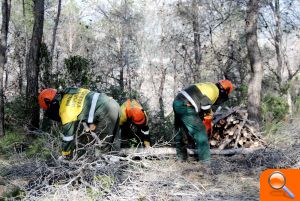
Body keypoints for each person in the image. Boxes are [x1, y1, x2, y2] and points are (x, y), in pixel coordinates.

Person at [38, 87, 120, 159]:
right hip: (113, 103)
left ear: (52, 104)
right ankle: (115, 170)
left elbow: (68, 137)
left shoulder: (65, 111)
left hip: (105, 111)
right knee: (113, 145)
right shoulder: (69, 91)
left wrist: (65, 155)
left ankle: (102, 174)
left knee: (101, 148)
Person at [173, 80, 233, 162]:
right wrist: (207, 126)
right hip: (186, 105)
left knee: (180, 131)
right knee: (200, 132)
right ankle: (205, 161)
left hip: (177, 101)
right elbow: (205, 109)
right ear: (224, 91)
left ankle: (181, 158)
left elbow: (202, 105)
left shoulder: (210, 85)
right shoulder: (214, 92)